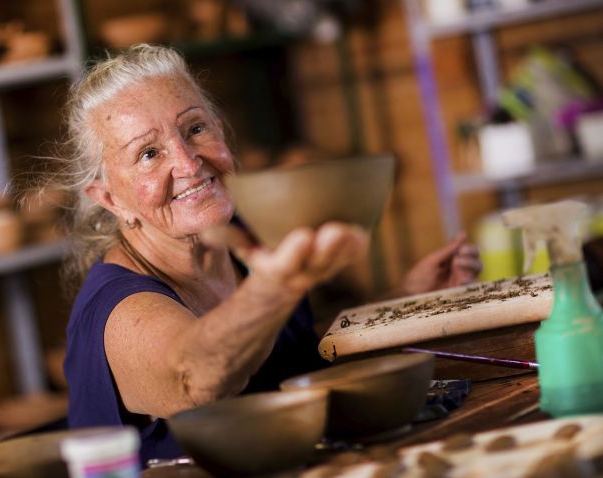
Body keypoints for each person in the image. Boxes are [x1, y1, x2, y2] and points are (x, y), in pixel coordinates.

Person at [46, 45, 481, 463]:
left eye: (195, 128)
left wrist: (401, 300)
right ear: (109, 199)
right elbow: (196, 380)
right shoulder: (116, 307)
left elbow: (293, 358)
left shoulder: (240, 235)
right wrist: (279, 287)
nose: (188, 162)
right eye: (148, 153)